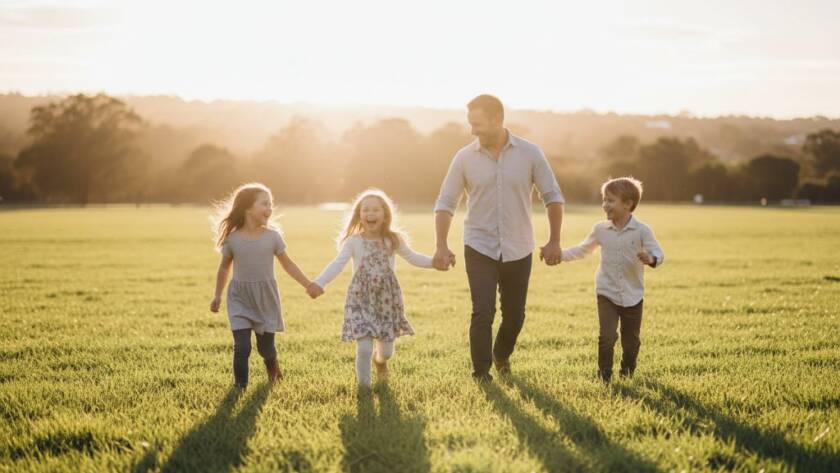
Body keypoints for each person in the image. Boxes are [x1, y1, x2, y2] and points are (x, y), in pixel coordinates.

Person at [434, 94, 565, 382]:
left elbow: (553, 197)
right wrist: (441, 246)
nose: (473, 130)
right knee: (482, 311)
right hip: (478, 244)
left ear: (497, 119)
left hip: (519, 246)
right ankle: (481, 374)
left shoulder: (530, 153)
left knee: (515, 316)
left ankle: (501, 354)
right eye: (470, 124)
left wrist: (554, 240)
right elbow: (446, 203)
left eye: (478, 123)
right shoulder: (464, 158)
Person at [309, 189, 437, 388]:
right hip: (360, 300)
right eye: (365, 210)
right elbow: (337, 264)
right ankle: (364, 388)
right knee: (364, 348)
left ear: (385, 214)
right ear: (359, 215)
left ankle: (380, 361)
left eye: (375, 210)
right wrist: (319, 282)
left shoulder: (392, 240)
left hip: (386, 301)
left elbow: (413, 257)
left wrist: (436, 262)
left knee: (386, 351)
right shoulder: (354, 242)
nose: (370, 214)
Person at [210, 183, 314, 387]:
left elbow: (288, 264)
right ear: (248, 207)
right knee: (242, 347)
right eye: (264, 204)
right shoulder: (233, 240)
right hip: (240, 298)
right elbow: (224, 268)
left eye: (271, 204)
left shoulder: (272, 237)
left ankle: (272, 365)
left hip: (265, 299)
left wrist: (308, 284)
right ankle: (240, 387)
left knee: (266, 348)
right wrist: (217, 295)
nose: (270, 208)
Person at [561, 177, 664, 382]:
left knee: (630, 341)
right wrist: (559, 255)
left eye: (610, 200)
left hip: (633, 294)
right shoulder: (600, 229)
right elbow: (583, 250)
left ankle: (627, 372)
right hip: (606, 292)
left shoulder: (642, 230)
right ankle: (604, 376)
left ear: (628, 204)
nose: (605, 205)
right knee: (606, 337)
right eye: (604, 199)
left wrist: (651, 258)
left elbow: (658, 253)